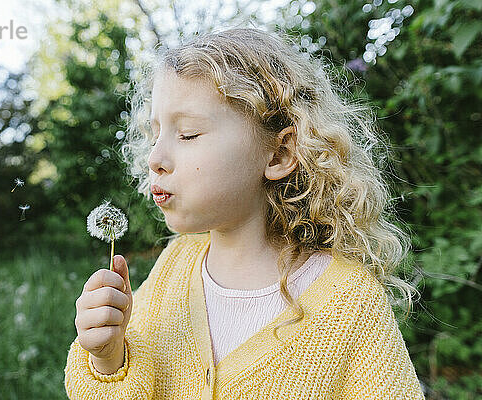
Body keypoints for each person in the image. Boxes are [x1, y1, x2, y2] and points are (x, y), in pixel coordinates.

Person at [64, 27, 426, 399]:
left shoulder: (350, 302)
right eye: (155, 135)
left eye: (187, 134)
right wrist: (107, 360)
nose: (155, 158)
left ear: (279, 154)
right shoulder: (173, 268)